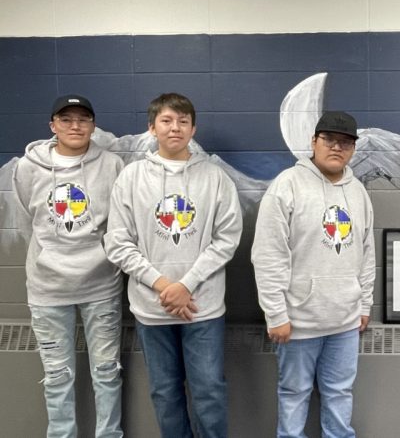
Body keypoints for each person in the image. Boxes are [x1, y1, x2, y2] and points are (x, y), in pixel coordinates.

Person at [104, 93, 242, 438]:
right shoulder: (131, 178)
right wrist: (164, 285)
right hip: (152, 308)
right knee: (165, 393)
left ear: (193, 128)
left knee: (209, 390)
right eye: (166, 121)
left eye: (183, 121)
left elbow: (226, 239)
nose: (175, 128)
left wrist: (186, 285)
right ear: (152, 128)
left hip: (203, 307)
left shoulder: (215, 178)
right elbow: (117, 243)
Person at [252, 111, 375, 438]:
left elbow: (366, 252)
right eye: (330, 140)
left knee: (339, 394)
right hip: (297, 322)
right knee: (294, 395)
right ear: (313, 142)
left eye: (346, 142)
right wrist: (276, 313)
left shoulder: (358, 192)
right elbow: (267, 255)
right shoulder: (287, 186)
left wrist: (364, 305)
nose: (337, 147)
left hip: (345, 321)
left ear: (353, 149)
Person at [12, 94, 125, 437]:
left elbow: (118, 221)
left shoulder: (111, 165)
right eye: (66, 119)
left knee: (106, 371)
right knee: (58, 376)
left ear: (93, 125)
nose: (75, 126)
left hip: (101, 284)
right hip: (48, 289)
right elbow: (30, 216)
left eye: (83, 119)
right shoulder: (28, 167)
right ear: (52, 126)